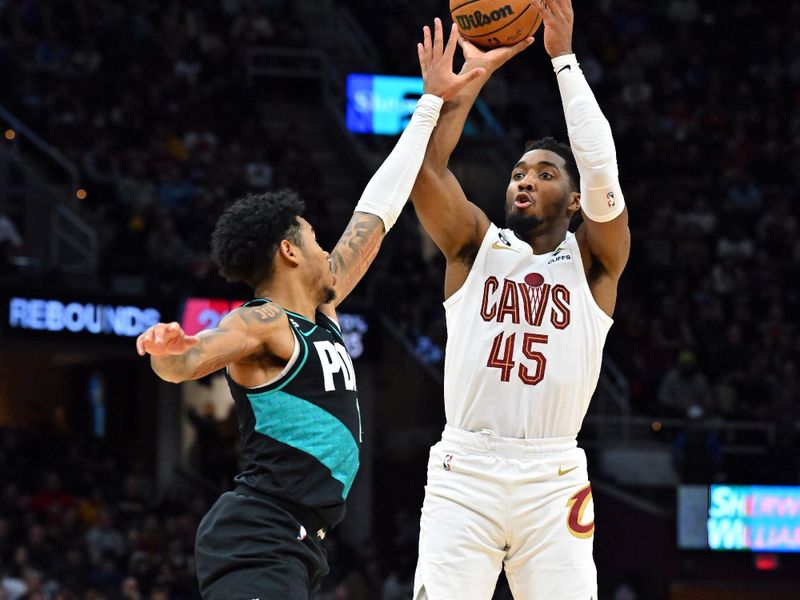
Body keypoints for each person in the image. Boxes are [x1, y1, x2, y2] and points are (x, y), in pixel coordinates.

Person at [135, 20, 485, 600]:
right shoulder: (260, 322)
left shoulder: (321, 308)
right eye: (318, 239)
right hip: (257, 532)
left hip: (297, 540)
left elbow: (378, 211)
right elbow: (191, 361)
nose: (331, 249)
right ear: (290, 251)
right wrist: (169, 353)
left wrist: (432, 103)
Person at [410, 1, 629, 598]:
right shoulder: (473, 247)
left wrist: (563, 61)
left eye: (545, 173)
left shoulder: (593, 265)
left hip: (553, 476)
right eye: (517, 172)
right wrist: (463, 84)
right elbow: (425, 170)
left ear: (575, 202)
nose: (524, 180)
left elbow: (604, 175)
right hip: (465, 471)